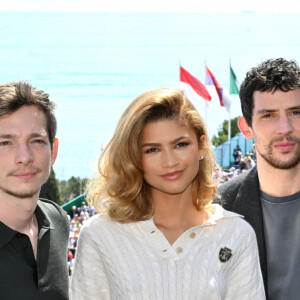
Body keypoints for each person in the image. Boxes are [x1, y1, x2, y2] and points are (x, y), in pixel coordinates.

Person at [70, 88, 265, 299]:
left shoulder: (236, 234)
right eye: (152, 150)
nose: (170, 162)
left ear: (201, 146)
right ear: (134, 158)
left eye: (180, 145)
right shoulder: (100, 236)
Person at [215, 58, 300, 300]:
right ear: (246, 128)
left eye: (295, 112)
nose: (284, 128)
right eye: (268, 115)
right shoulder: (217, 210)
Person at [0, 81, 69, 300]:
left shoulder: (57, 220)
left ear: (53, 151)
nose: (25, 157)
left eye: (37, 140)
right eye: (5, 143)